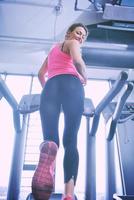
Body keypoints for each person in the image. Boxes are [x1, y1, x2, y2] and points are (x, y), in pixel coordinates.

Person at [31, 23, 89, 200]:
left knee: (50, 142)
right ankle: (68, 194)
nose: (80, 37)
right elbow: (78, 62)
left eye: (83, 37)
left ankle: (44, 189)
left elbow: (41, 74)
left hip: (50, 88)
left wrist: (50, 94)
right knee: (70, 141)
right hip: (72, 85)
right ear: (69, 33)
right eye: (78, 33)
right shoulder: (72, 44)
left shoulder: (52, 50)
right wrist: (84, 77)